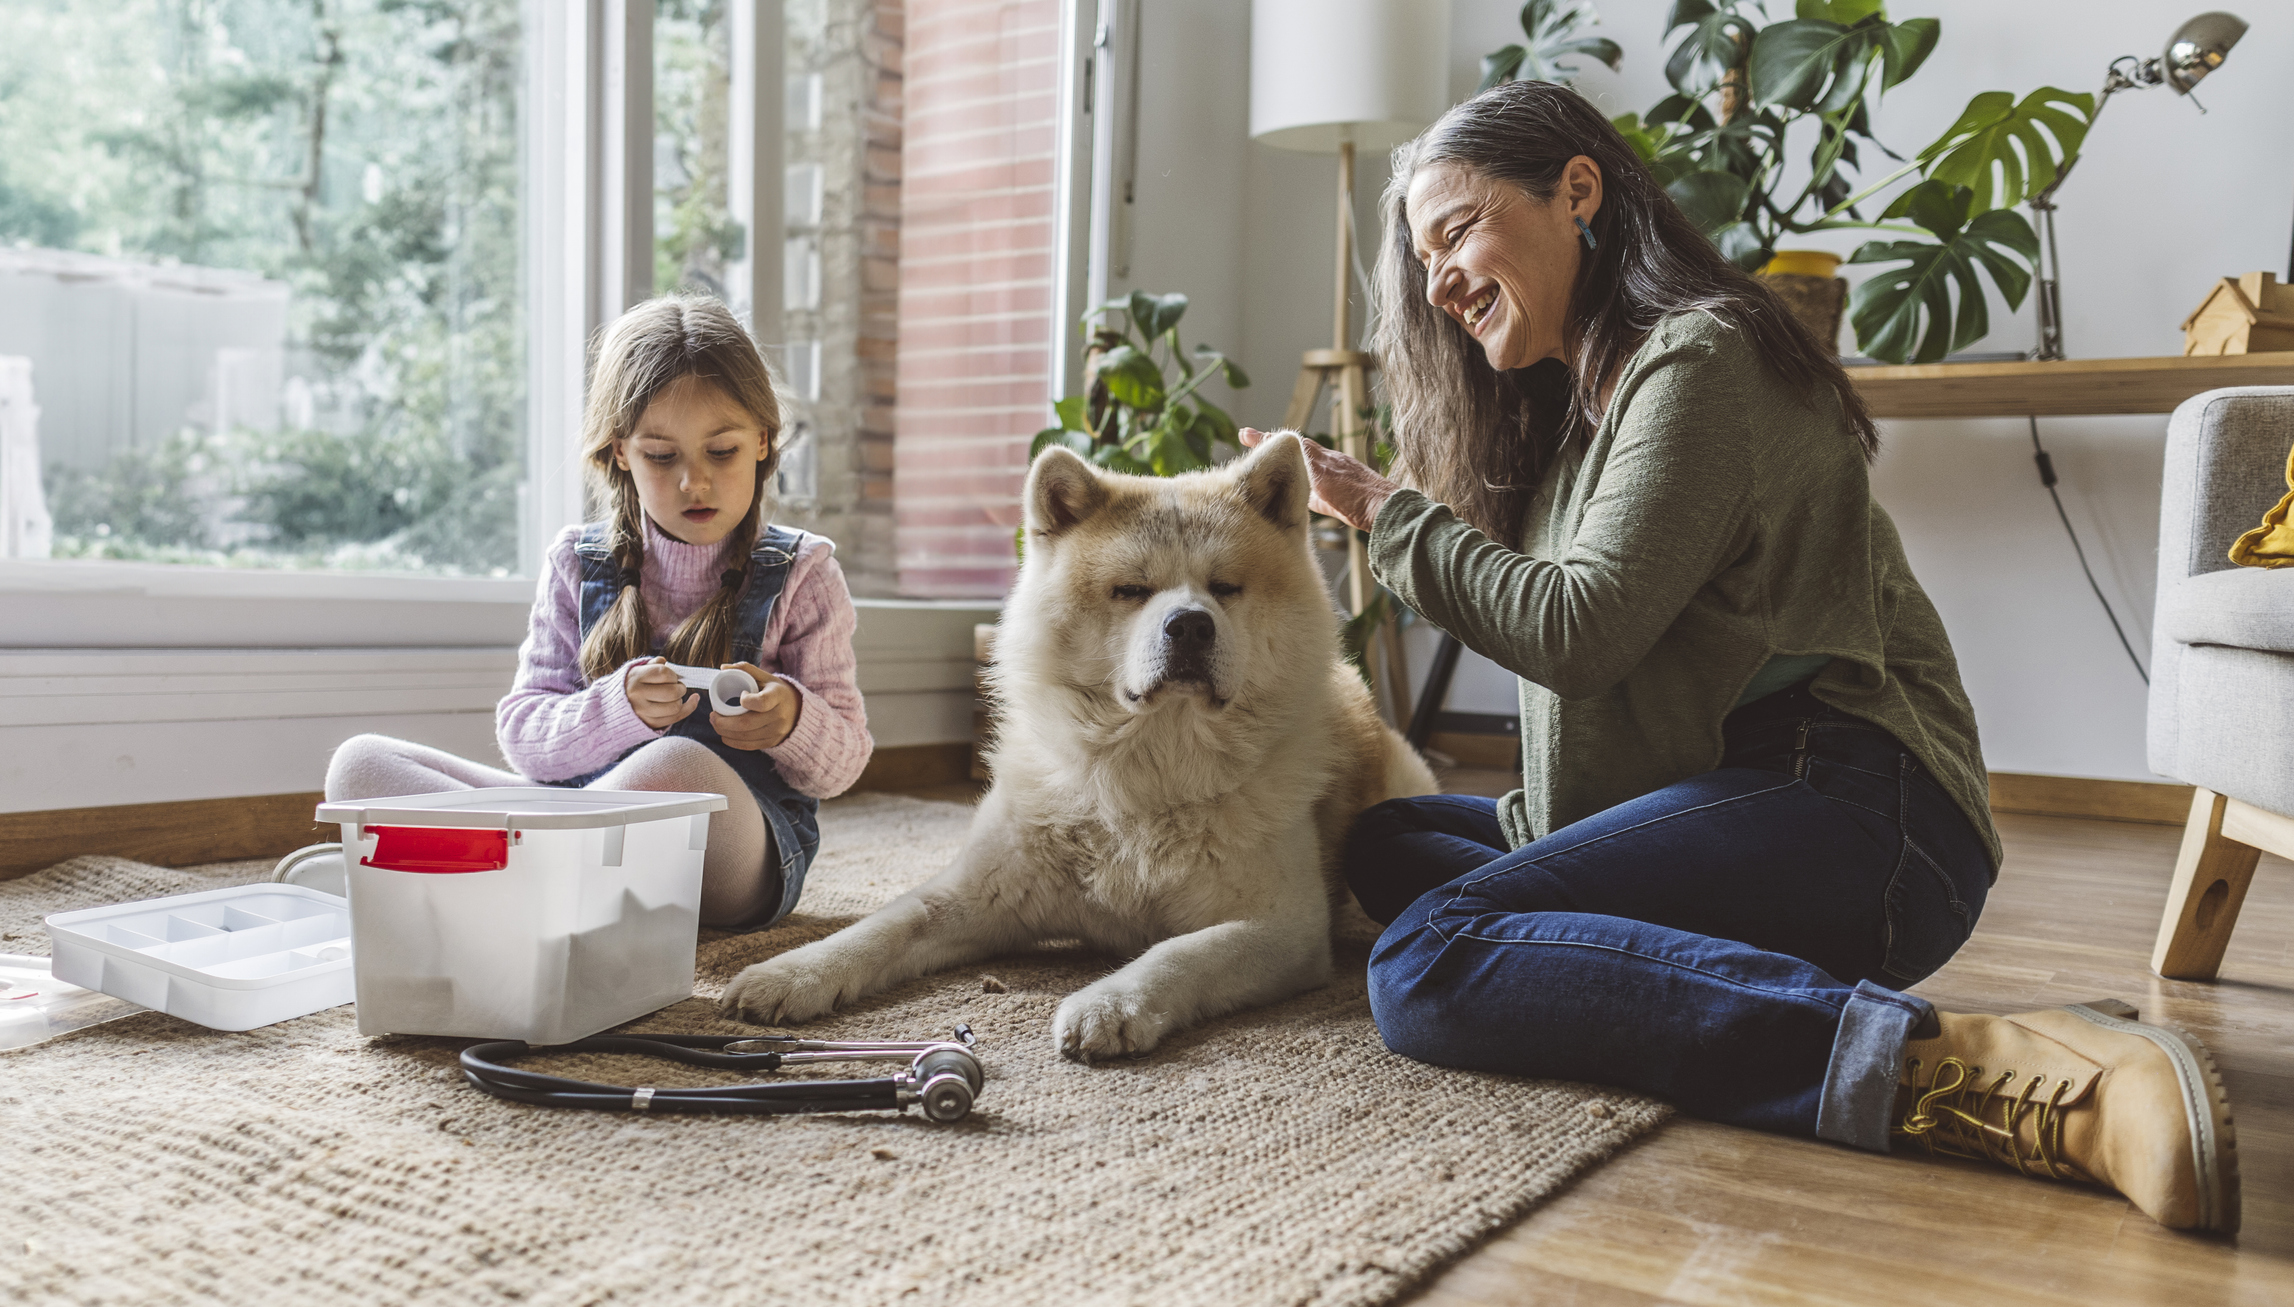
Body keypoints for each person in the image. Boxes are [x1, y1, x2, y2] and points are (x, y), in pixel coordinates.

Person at [1240, 81, 2239, 1235]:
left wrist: (1382, 510)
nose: (1439, 281)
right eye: (1421, 260)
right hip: (1719, 781)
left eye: (1456, 229)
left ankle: (1996, 1072)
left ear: (1577, 191)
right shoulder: (1569, 424)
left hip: (1862, 807)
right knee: (1390, 839)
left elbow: (1578, 630)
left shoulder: (1700, 357)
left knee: (1424, 958)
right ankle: (1686, 977)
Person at [326, 295, 872, 929]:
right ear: (620, 452)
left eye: (720, 452)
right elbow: (525, 738)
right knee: (361, 765)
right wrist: (617, 711)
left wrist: (790, 721)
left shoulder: (803, 573)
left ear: (762, 442)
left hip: (732, 851)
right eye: (662, 457)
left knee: (673, 770)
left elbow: (844, 762)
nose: (694, 483)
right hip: (578, 814)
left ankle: (504, 876)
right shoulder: (576, 562)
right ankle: (550, 876)